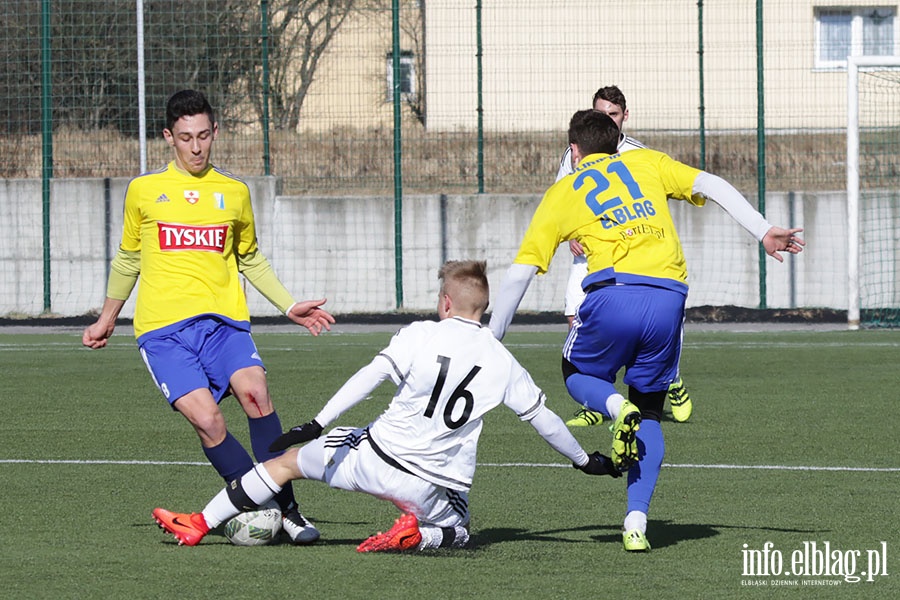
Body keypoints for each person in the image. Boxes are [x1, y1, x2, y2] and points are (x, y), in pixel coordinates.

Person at [488, 110, 804, 551]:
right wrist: (764, 229)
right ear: (617, 144)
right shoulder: (648, 162)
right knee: (651, 411)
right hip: (668, 299)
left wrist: (489, 337)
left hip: (613, 294)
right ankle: (636, 522)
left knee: (577, 374)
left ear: (574, 152)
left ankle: (616, 408)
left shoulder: (563, 191)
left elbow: (521, 273)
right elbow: (710, 184)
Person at [152, 260, 621, 551]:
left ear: (445, 302)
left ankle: (199, 523)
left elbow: (370, 377)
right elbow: (546, 422)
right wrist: (585, 461)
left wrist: (316, 422)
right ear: (483, 307)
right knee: (461, 528)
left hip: (369, 460)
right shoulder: (504, 362)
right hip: (426, 489)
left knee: (286, 464)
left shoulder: (420, 333)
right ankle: (420, 535)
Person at [82, 89, 335, 544]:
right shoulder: (144, 191)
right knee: (208, 421)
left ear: (215, 132)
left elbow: (250, 258)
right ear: (168, 137)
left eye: (203, 136)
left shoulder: (234, 193)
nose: (196, 147)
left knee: (256, 394)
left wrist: (287, 304)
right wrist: (106, 319)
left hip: (224, 324)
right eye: (185, 138)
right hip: (163, 331)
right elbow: (128, 260)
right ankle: (268, 505)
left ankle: (290, 512)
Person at [556, 86, 693, 427]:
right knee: (576, 319)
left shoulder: (638, 154)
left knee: (626, 330)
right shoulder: (575, 154)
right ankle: (600, 401)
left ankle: (665, 379)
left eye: (613, 115)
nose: (607, 121)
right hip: (588, 257)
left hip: (629, 261)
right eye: (600, 114)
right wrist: (572, 232)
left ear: (625, 117)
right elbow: (562, 197)